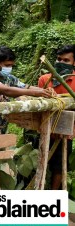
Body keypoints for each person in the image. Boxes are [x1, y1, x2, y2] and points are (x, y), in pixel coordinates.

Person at [0, 46, 52, 190]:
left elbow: (25, 86)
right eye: (7, 65)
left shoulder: (9, 78)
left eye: (11, 65)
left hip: (0, 126)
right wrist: (35, 93)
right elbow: (7, 90)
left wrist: (44, 91)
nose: (9, 68)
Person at [38, 44, 75, 190]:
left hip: (66, 133)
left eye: (66, 60)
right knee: (40, 163)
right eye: (59, 59)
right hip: (44, 130)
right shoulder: (45, 79)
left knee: (59, 168)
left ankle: (53, 196)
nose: (61, 63)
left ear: (74, 63)